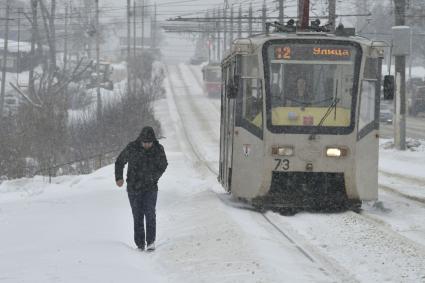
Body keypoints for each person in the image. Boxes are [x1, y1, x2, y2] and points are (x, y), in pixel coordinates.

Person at [115, 126, 168, 252]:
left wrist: (154, 177)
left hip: (151, 188)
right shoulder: (132, 147)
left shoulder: (158, 149)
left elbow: (163, 165)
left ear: (153, 141)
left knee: (150, 213)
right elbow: (119, 162)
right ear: (140, 140)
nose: (146, 145)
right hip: (134, 188)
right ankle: (139, 244)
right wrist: (119, 178)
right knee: (137, 215)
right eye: (144, 142)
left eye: (149, 143)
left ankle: (150, 242)